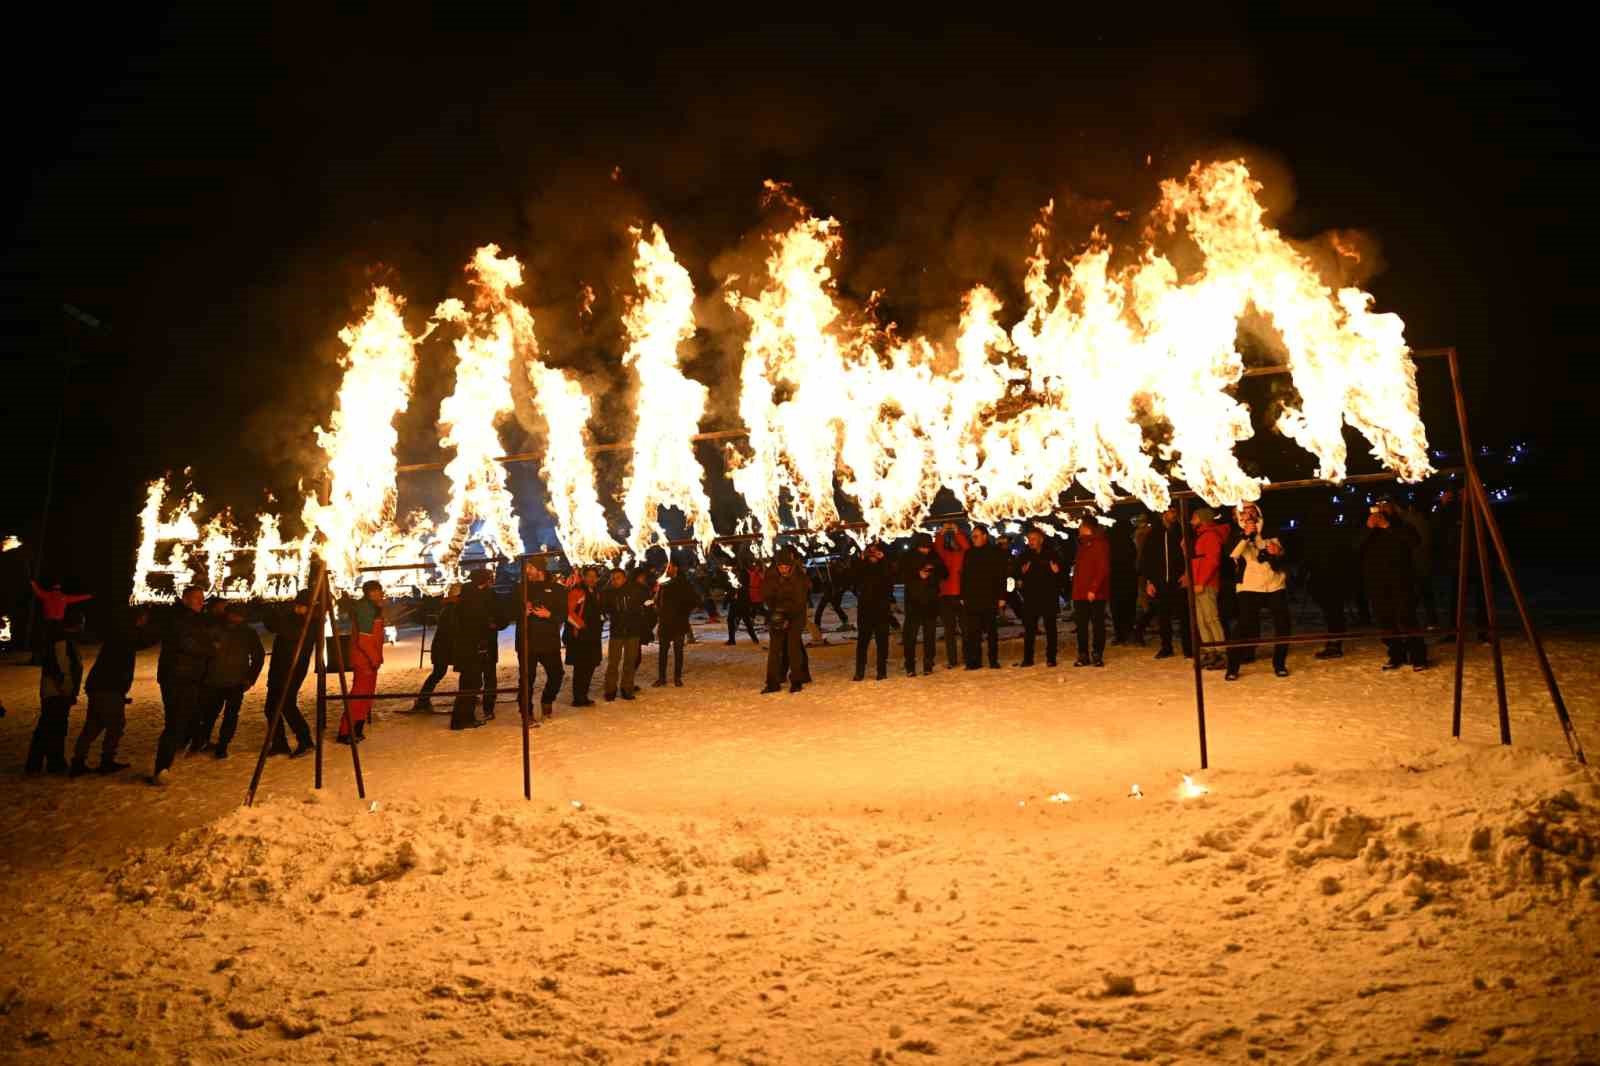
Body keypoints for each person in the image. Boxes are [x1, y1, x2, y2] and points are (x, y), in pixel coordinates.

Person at [70, 606, 158, 776]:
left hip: (101, 685)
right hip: (109, 687)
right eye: (144, 618)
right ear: (138, 618)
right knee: (115, 725)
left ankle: (79, 761)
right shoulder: (126, 634)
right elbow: (141, 642)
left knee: (94, 724)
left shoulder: (121, 633)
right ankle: (105, 761)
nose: (145, 621)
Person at [152, 586, 218, 784]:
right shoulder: (178, 618)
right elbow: (186, 643)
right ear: (185, 599)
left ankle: (194, 742)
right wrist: (210, 649)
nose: (201, 601)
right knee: (174, 722)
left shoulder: (194, 618)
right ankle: (161, 768)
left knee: (192, 715)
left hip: (190, 676)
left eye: (202, 597)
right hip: (177, 676)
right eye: (196, 598)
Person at [1226, 504, 1292, 680]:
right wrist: (1246, 536)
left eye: (1252, 510)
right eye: (1244, 511)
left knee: (1283, 624)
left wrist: (1277, 552)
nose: (1249, 513)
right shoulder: (1234, 533)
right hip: (1249, 585)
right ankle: (1232, 666)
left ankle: (1279, 664)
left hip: (1274, 583)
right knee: (1245, 624)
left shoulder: (1271, 529)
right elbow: (1233, 555)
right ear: (1237, 515)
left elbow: (1283, 553)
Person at [1362, 500, 1430, 671]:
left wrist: (1388, 526)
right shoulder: (1369, 529)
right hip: (1378, 582)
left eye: (1385, 504)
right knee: (1385, 620)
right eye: (1378, 504)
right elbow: (1356, 547)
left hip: (1402, 580)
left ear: (1394, 507)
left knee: (1407, 617)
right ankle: (1396, 654)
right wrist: (1368, 529)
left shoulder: (1403, 526)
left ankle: (1418, 656)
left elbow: (1414, 542)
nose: (1381, 508)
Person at [191, 602, 264, 758]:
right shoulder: (215, 630)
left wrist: (250, 678)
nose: (236, 618)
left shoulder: (247, 633)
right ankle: (203, 740)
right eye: (233, 614)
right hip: (214, 680)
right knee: (210, 713)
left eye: (239, 615)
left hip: (235, 681)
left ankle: (222, 744)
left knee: (229, 715)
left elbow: (258, 656)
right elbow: (202, 652)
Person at [451, 569, 510, 730]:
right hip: (482, 644)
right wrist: (492, 625)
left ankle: (464, 716)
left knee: (470, 681)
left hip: (469, 645)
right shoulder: (483, 597)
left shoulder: (465, 596)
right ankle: (468, 716)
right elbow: (497, 618)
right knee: (477, 680)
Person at [261, 589, 318, 757]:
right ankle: (279, 743)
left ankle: (305, 740)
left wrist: (279, 613)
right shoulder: (294, 619)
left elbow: (278, 626)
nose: (297, 608)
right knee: (271, 707)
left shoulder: (310, 623)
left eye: (301, 606)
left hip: (293, 668)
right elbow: (274, 625)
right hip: (279, 666)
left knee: (286, 704)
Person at [26, 621, 83, 775]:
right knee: (51, 727)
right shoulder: (62, 642)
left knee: (50, 727)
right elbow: (61, 667)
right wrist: (67, 690)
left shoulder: (62, 641)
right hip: (56, 692)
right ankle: (47, 762)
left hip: (55, 691)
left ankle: (46, 762)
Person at [517, 557, 567, 720]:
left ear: (539, 569)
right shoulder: (521, 588)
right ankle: (527, 714)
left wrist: (549, 614)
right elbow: (507, 612)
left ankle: (547, 700)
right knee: (526, 680)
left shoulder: (557, 589)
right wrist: (522, 612)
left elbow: (564, 614)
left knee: (557, 675)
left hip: (548, 641)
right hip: (527, 641)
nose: (526, 571)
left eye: (529, 567)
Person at [1303, 502, 1355, 659]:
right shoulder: (1321, 534)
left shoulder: (1325, 534)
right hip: (1325, 578)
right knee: (1333, 613)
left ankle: (1335, 644)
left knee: (1334, 613)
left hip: (1331, 579)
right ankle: (1334, 642)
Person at [1140, 506, 1191, 659]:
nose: (1174, 515)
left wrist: (1187, 573)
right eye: (1171, 511)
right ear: (1163, 513)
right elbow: (1147, 559)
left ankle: (1188, 648)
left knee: (1184, 615)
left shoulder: (1182, 531)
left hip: (1179, 580)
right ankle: (1166, 646)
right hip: (1160, 581)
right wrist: (1149, 581)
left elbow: (1191, 554)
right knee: (1163, 616)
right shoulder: (1154, 534)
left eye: (1175, 512)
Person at [339, 580, 385, 744]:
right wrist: (374, 658)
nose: (381, 593)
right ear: (369, 593)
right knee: (359, 695)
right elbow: (364, 640)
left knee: (365, 696)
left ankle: (356, 730)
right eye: (377, 591)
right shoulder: (366, 609)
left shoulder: (372, 608)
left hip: (368, 658)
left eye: (380, 590)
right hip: (364, 659)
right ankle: (346, 731)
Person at [959, 526, 1007, 670]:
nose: (973, 539)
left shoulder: (995, 553)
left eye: (976, 536)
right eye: (972, 536)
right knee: (972, 633)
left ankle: (993, 660)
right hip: (972, 598)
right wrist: (962, 595)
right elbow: (964, 575)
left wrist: (1002, 596)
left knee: (991, 632)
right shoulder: (969, 553)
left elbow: (1001, 575)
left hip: (990, 597)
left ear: (985, 536)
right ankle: (974, 661)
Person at [762, 549, 810, 693]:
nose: (783, 569)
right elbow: (767, 596)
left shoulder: (799, 577)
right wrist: (776, 614)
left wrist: (788, 617)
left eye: (786, 567)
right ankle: (772, 682)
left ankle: (796, 680)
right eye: (780, 567)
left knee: (793, 649)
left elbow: (799, 600)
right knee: (774, 650)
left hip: (796, 616)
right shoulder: (771, 576)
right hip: (777, 616)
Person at [1188, 508, 1231, 671]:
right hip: (1198, 583)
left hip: (1205, 584)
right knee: (1201, 619)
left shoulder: (1210, 536)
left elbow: (1212, 561)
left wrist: (1202, 581)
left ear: (1202, 519)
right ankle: (1210, 651)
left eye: (1194, 516)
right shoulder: (1201, 536)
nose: (1191, 519)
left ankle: (1221, 653)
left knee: (1211, 618)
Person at [899, 534, 946, 675]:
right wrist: (917, 574)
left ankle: (928, 664)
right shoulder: (908, 557)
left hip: (930, 601)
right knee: (910, 636)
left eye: (927, 547)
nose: (925, 550)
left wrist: (933, 569)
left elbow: (945, 573)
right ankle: (910, 666)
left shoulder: (934, 556)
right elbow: (902, 575)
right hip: (914, 602)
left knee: (929, 635)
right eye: (922, 547)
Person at [1016, 528, 1063, 667]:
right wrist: (1021, 574)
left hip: (1048, 596)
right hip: (1031, 598)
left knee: (1050, 629)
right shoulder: (1024, 555)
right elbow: (1016, 574)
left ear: (1041, 540)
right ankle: (1028, 658)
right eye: (1029, 539)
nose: (1031, 542)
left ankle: (1051, 658)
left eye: (1034, 539)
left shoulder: (1052, 554)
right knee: (1029, 629)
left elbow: (1061, 577)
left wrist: (1057, 572)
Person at [1070, 517, 1112, 667]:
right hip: (1080, 592)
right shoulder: (1083, 545)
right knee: (1081, 625)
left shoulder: (1099, 544)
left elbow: (1102, 569)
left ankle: (1097, 653)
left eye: (1081, 525)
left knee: (1097, 624)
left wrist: (1093, 588)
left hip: (1095, 593)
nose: (1078, 528)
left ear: (1087, 527)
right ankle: (1083, 654)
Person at [413, 583, 460, 712]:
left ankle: (423, 700)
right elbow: (452, 628)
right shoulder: (452, 609)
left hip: (443, 646)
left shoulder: (449, 608)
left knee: (438, 673)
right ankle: (422, 700)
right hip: (445, 647)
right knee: (439, 673)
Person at [852, 541, 895, 681]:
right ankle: (859, 671)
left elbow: (890, 578)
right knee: (862, 642)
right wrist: (861, 559)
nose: (873, 555)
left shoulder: (884, 566)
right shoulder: (862, 567)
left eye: (875, 552)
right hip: (865, 610)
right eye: (870, 552)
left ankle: (881, 671)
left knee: (882, 642)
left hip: (882, 610)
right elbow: (853, 576)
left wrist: (883, 560)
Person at [602, 567, 646, 702]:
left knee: (630, 662)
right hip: (617, 632)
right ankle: (610, 690)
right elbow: (604, 608)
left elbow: (643, 603)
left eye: (618, 578)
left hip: (632, 631)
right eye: (613, 578)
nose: (615, 581)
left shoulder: (635, 591)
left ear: (624, 578)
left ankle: (627, 688)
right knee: (613, 663)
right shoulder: (608, 593)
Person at [653, 560, 698, 688]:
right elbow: (657, 599)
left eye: (669, 567)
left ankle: (677, 678)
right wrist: (657, 608)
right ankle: (661, 678)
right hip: (665, 622)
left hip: (679, 622)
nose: (667, 569)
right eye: (665, 567)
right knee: (662, 651)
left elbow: (693, 600)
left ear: (676, 568)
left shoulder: (683, 583)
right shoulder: (663, 582)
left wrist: (683, 612)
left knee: (678, 651)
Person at [565, 567, 604, 706]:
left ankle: (583, 695)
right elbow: (568, 612)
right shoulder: (578, 591)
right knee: (582, 667)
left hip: (593, 636)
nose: (592, 579)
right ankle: (578, 697)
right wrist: (581, 625)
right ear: (584, 577)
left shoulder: (595, 592)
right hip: (581, 636)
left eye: (595, 576)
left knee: (590, 665)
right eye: (589, 576)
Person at [934, 522, 970, 669]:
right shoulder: (944, 556)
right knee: (950, 631)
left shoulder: (963, 555)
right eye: (953, 541)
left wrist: (957, 531)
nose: (955, 543)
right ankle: (953, 660)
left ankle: (967, 657)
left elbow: (967, 548)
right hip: (946, 597)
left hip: (959, 596)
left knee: (965, 629)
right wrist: (942, 532)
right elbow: (937, 547)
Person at [1109, 520, 1138, 645]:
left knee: (1117, 609)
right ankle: (1127, 632)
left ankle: (1119, 634)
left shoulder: (1111, 543)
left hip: (1115, 579)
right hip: (1128, 579)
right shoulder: (1129, 543)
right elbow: (1134, 558)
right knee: (1128, 607)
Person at [724, 557, 762, 646]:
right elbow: (729, 588)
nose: (728, 568)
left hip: (743, 601)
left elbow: (745, 586)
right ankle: (732, 639)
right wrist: (727, 600)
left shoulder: (743, 573)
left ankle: (754, 639)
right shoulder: (730, 574)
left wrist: (738, 586)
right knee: (731, 620)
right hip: (734, 601)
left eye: (729, 566)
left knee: (746, 621)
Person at [812, 553, 852, 632]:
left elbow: (844, 581)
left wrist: (840, 589)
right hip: (830, 588)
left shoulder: (842, 569)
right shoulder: (832, 567)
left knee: (834, 606)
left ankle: (845, 621)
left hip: (836, 590)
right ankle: (817, 625)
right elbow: (827, 578)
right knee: (823, 607)